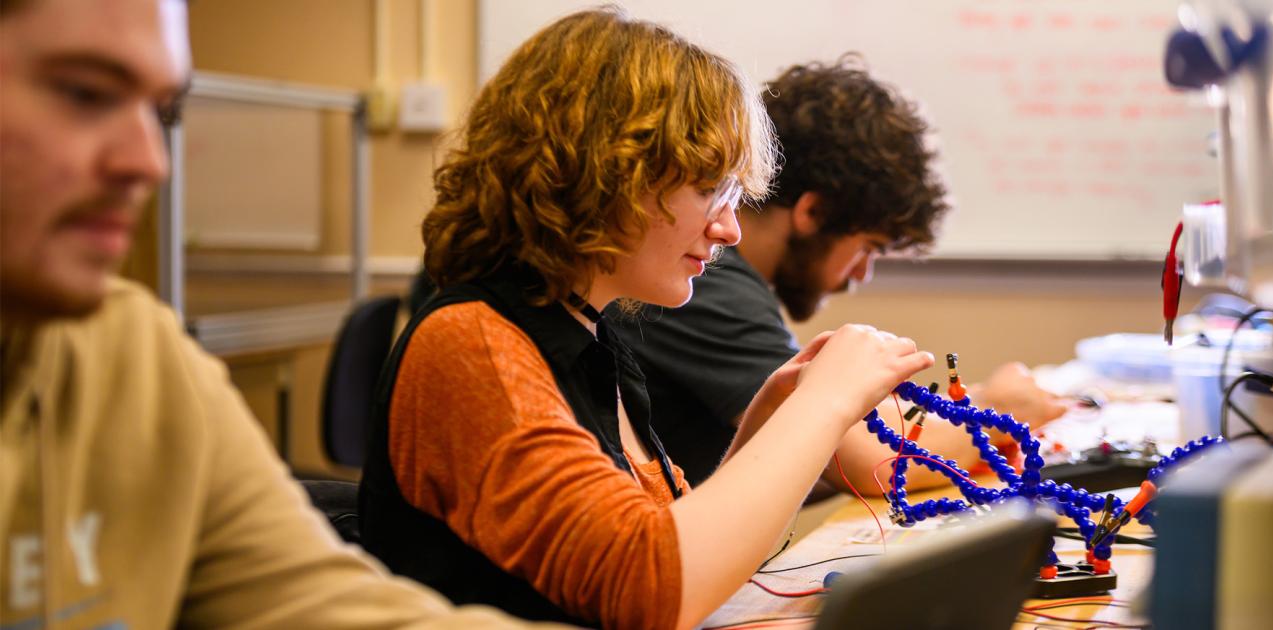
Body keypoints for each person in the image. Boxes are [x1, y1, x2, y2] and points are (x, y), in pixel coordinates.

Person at [358, 8, 934, 630]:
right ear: (607, 171)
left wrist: (769, 424)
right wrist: (821, 408)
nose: (729, 229)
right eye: (708, 187)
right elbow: (651, 590)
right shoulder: (472, 345)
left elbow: (692, 553)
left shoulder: (594, 335)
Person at [0, 1, 556, 627]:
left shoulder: (135, 354)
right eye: (85, 93)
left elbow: (330, 610)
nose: (151, 162)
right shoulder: (473, 334)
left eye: (165, 113)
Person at [607, 57, 1068, 492]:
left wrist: (981, 401)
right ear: (814, 211)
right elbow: (869, 461)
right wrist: (1000, 413)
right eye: (867, 247)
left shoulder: (722, 278)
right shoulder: (705, 282)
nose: (862, 274)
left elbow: (845, 427)